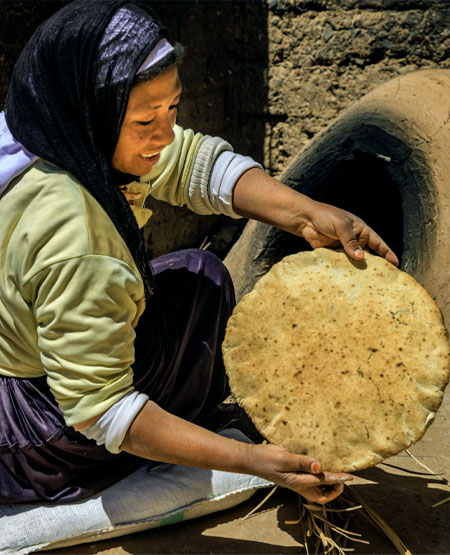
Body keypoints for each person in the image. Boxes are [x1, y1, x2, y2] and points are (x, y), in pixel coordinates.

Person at [0, 0, 398, 507]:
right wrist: (249, 461)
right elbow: (100, 410)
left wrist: (306, 213)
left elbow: (189, 162)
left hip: (35, 347)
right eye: (147, 119)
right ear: (93, 114)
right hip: (37, 428)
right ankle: (95, 466)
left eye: (172, 108)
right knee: (161, 359)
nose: (164, 134)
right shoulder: (77, 238)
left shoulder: (44, 133)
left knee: (201, 276)